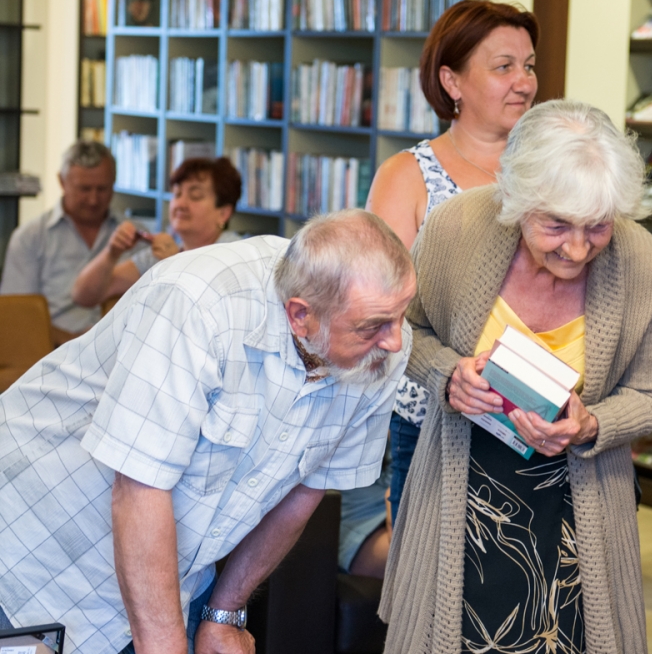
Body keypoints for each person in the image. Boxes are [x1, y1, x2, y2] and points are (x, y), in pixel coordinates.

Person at [0, 210, 415, 654]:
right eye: (373, 326)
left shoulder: (382, 346)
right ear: (300, 315)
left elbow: (305, 489)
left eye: (401, 315)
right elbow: (140, 488)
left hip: (166, 573)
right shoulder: (196, 303)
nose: (395, 341)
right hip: (32, 545)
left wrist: (224, 612)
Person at [380, 99, 652, 654]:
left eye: (597, 226)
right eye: (556, 225)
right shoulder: (456, 228)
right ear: (515, 201)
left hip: (581, 506)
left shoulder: (644, 261)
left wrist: (592, 424)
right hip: (461, 490)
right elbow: (405, 330)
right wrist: (447, 375)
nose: (577, 248)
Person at [361, 0, 539, 575]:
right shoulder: (408, 175)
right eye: (504, 66)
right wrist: (451, 369)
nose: (523, 82)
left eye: (529, 66)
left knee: (519, 579)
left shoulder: (549, 172)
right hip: (432, 414)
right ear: (452, 80)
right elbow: (380, 309)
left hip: (534, 414)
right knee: (429, 578)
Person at [72, 157, 242, 308]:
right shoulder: (163, 252)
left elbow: (209, 313)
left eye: (195, 196)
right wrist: (111, 253)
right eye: (177, 194)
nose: (180, 204)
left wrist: (175, 265)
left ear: (224, 213)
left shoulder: (234, 253)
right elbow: (83, 296)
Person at [0, 140, 120, 344]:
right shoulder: (30, 238)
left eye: (102, 189)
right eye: (84, 189)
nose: (93, 200)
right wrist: (74, 342)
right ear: (62, 182)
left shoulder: (136, 236)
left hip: (121, 350)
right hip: (50, 350)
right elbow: (18, 316)